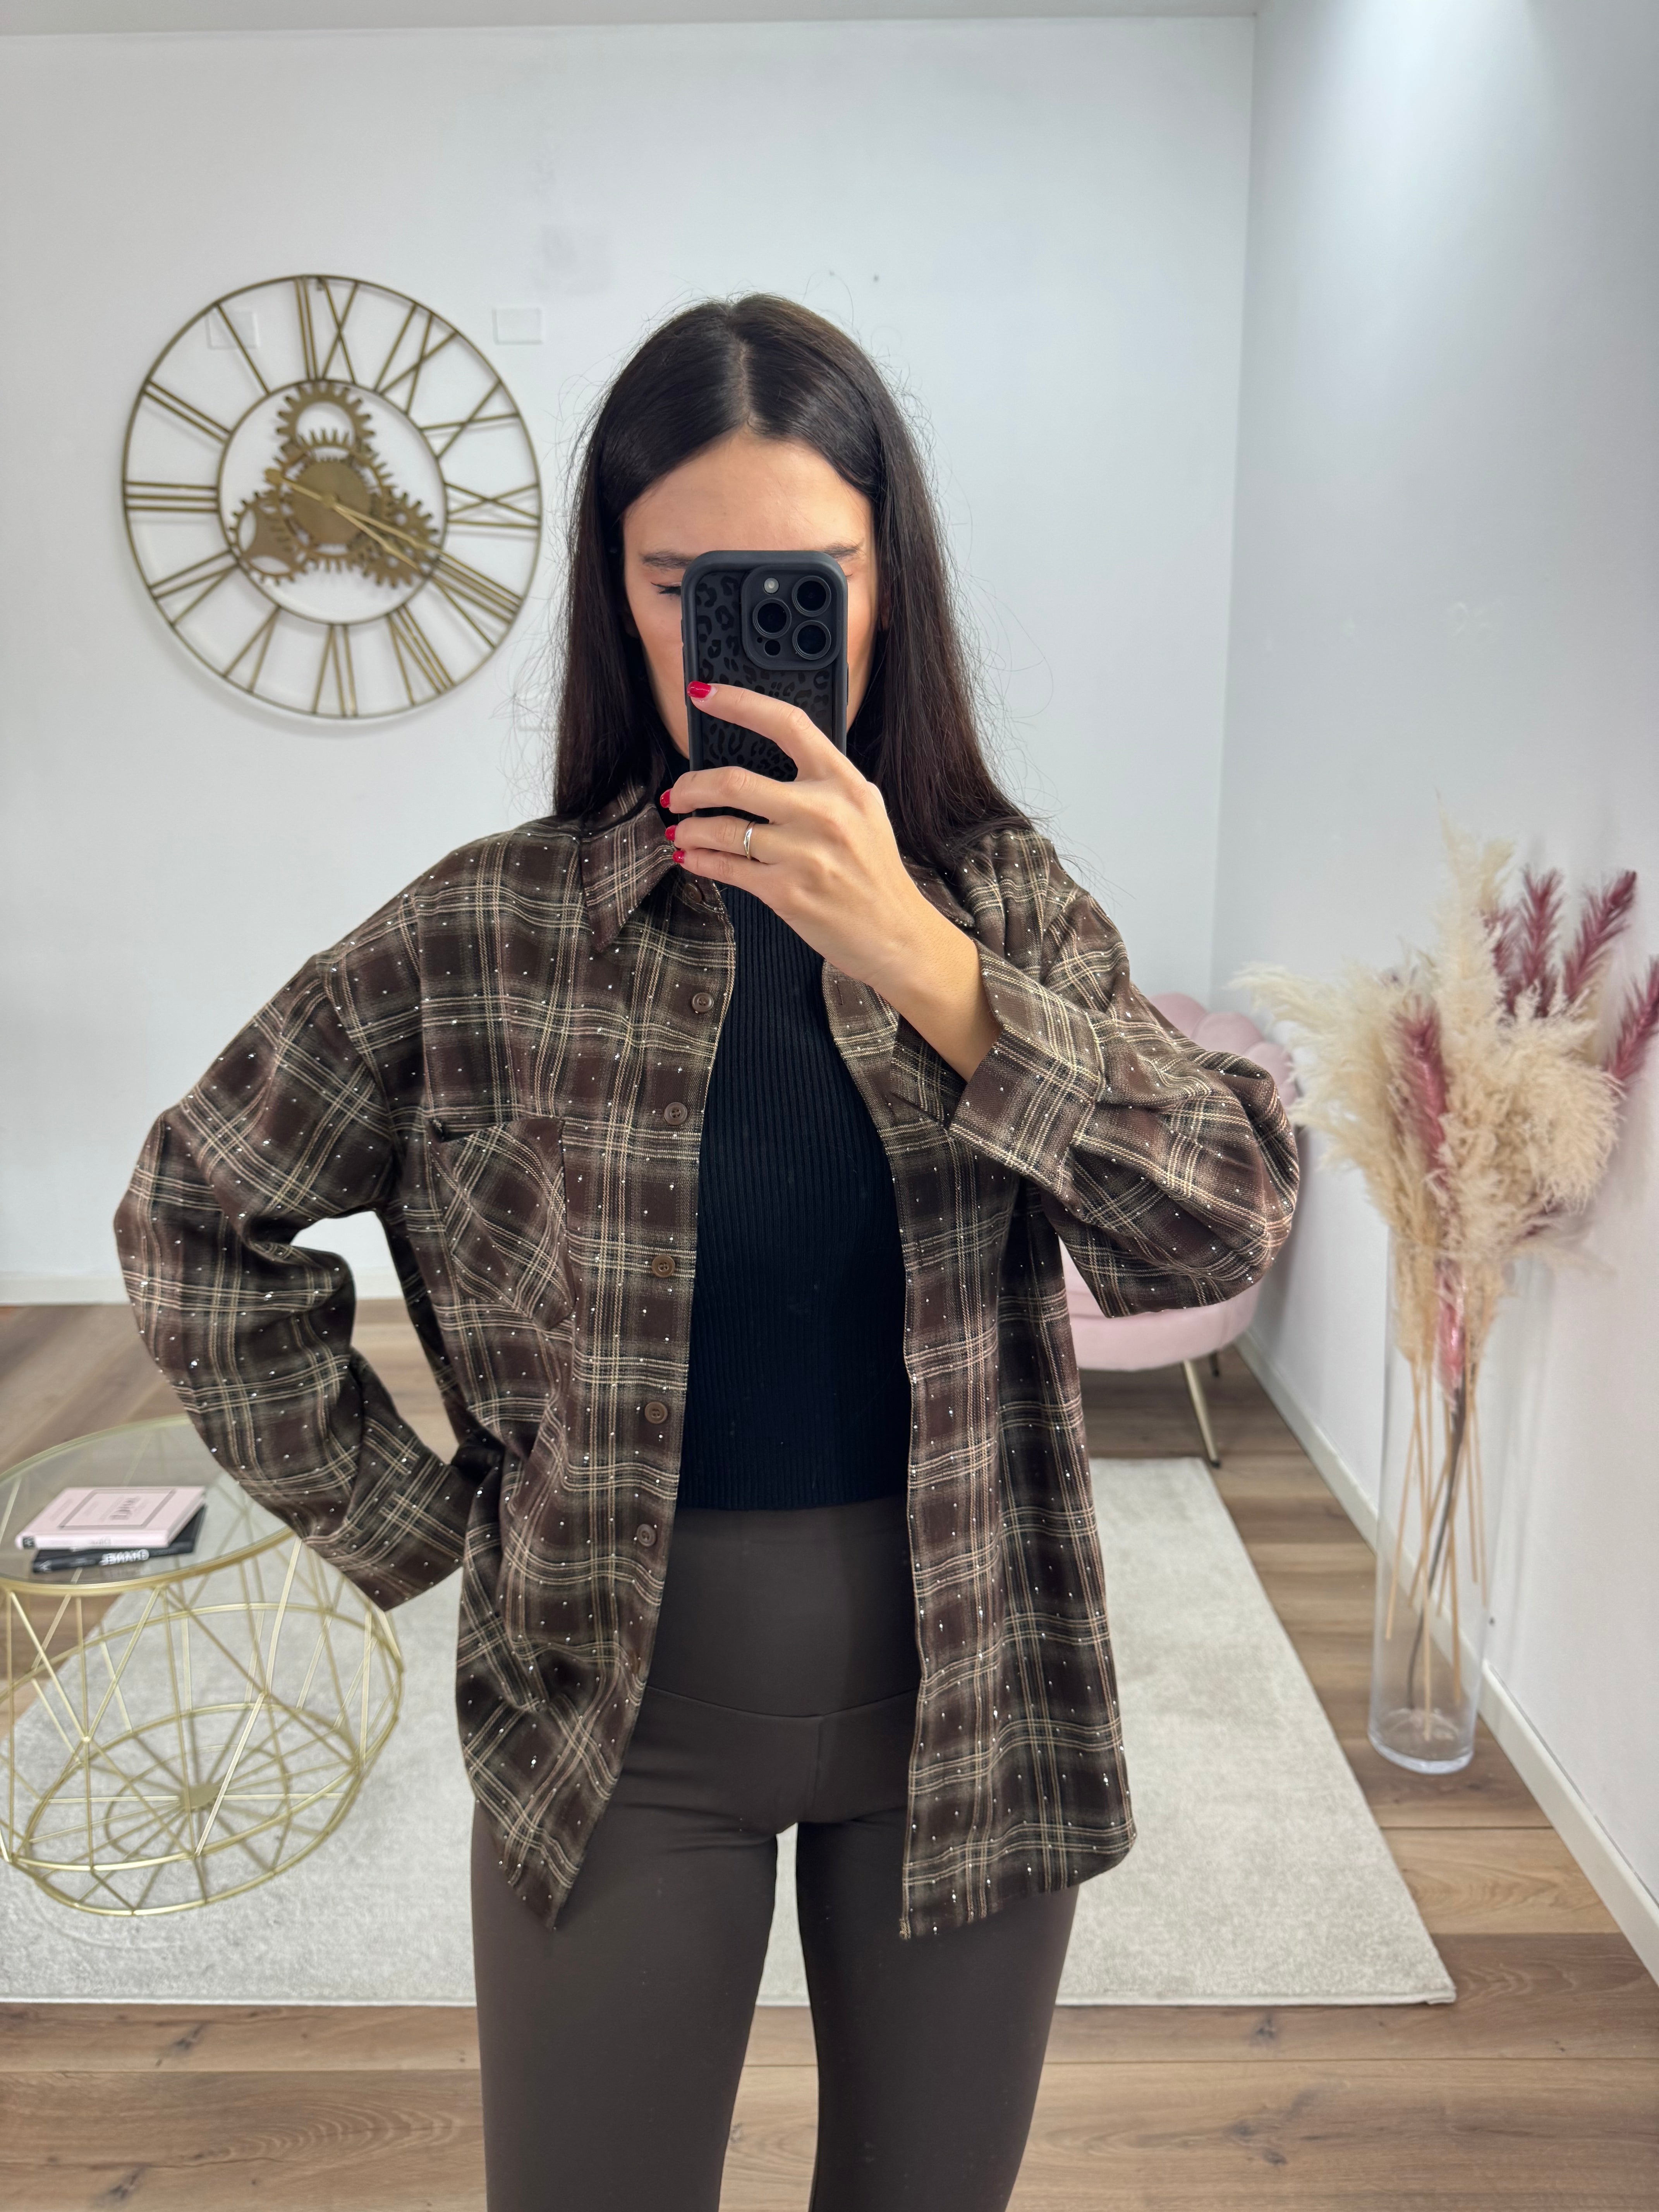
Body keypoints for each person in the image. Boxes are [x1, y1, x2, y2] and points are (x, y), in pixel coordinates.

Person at [114, 294, 1299, 2211]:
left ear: (885, 591)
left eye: (804, 583)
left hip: (972, 1700)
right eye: (685, 585)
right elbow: (192, 1211)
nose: (738, 636)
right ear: (617, 591)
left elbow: (1222, 1216)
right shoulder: (486, 934)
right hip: (616, 1716)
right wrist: (419, 1523)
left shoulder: (1000, 910)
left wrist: (924, 964)